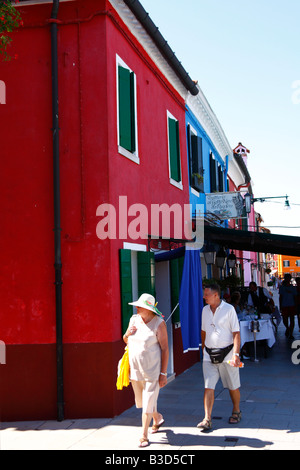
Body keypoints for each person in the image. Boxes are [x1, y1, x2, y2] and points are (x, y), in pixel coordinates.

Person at [123, 293, 169, 448]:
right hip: (135, 371)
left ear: (149, 309)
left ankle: (143, 436)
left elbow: (165, 349)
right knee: (143, 402)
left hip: (153, 371)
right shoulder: (133, 320)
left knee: (148, 401)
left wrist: (163, 373)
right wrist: (127, 334)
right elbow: (125, 339)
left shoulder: (159, 323)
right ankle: (157, 418)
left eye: (140, 306)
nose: (136, 308)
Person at [197, 284, 241, 431]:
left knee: (232, 386)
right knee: (208, 386)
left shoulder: (229, 309)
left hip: (228, 353)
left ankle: (236, 410)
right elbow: (203, 331)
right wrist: (204, 349)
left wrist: (236, 354)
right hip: (209, 354)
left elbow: (236, 333)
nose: (204, 297)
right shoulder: (204, 310)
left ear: (216, 295)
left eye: (206, 294)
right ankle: (207, 419)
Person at [279, 274, 297, 339]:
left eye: (288, 278)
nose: (287, 280)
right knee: (285, 319)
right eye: (286, 278)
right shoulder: (282, 287)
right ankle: (287, 328)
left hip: (292, 305)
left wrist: (296, 305)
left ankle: (291, 333)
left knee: (292, 319)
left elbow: (295, 297)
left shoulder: (293, 287)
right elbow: (280, 297)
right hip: (284, 305)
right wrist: (280, 306)